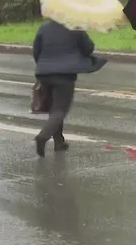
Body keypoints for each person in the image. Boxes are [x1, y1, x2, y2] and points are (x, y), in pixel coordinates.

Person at [32, 20, 104, 157]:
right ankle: (43, 136)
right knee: (60, 109)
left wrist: (43, 66)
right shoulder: (75, 27)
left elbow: (36, 50)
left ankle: (59, 142)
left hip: (44, 72)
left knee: (54, 109)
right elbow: (88, 48)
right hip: (65, 75)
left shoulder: (44, 27)